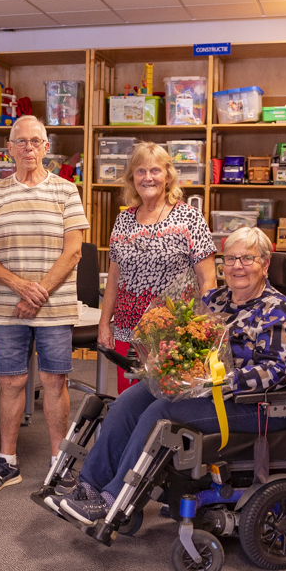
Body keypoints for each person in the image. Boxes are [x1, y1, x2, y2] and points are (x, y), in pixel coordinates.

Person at [56, 227, 286, 523]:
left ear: (265, 263)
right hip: (203, 390)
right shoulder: (217, 299)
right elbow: (190, 341)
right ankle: (89, 488)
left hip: (252, 404)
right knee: (131, 399)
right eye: (231, 258)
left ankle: (114, 501)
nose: (237, 266)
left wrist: (221, 381)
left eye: (247, 258)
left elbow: (279, 370)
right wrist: (167, 359)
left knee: (162, 412)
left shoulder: (277, 310)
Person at [0, 115, 89, 494]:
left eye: (35, 141)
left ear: (46, 147)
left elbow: (73, 251)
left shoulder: (66, 191)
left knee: (54, 381)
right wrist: (19, 286)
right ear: (9, 149)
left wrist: (38, 291)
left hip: (54, 306)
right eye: (20, 141)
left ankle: (60, 461)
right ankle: (7, 461)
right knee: (10, 383)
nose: (28, 147)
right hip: (7, 306)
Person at [97, 141, 216, 393]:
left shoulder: (189, 218)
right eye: (140, 171)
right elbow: (114, 278)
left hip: (174, 331)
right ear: (132, 177)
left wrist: (202, 330)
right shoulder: (123, 220)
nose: (147, 178)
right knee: (128, 399)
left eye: (155, 171)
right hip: (127, 330)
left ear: (168, 176)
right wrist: (104, 323)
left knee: (169, 401)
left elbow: (208, 281)